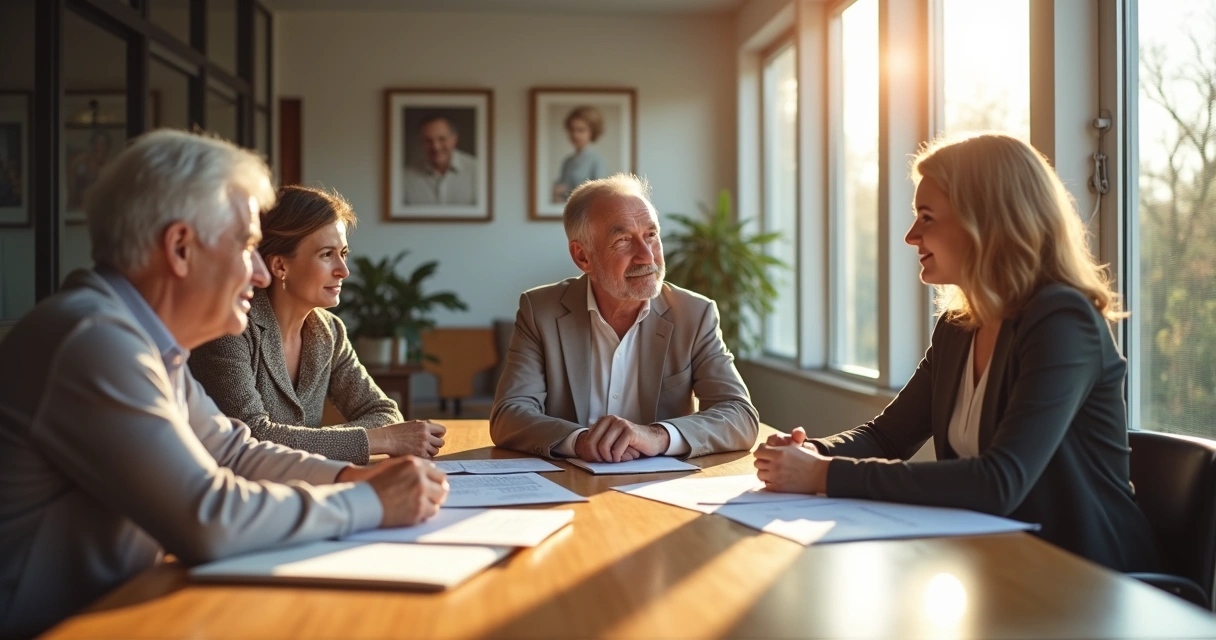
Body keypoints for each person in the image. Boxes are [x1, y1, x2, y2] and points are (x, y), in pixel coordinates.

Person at [0, 130, 449, 638]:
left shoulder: (144, 340)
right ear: (181, 248)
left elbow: (235, 452)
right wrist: (370, 502)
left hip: (119, 611)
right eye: (248, 246)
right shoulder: (93, 340)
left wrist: (353, 479)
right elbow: (207, 517)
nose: (259, 273)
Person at [753, 133, 1161, 573]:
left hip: (1092, 578)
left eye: (926, 218)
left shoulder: (1063, 320)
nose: (911, 236)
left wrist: (822, 477)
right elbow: (888, 437)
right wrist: (812, 454)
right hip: (998, 561)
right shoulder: (958, 326)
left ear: (987, 222)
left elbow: (1000, 481)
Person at [491, 173, 759, 462]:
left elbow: (739, 415)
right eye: (623, 240)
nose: (647, 256)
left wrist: (657, 436)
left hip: (661, 489)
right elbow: (510, 414)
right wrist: (579, 441)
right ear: (583, 257)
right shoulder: (540, 310)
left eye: (651, 235)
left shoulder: (694, 314)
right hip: (570, 481)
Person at [191, 185, 446, 464]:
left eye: (343, 253)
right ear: (280, 266)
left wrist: (310, 442)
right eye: (326, 254)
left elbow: (384, 412)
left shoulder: (328, 331)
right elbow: (251, 437)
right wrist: (384, 439)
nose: (343, 271)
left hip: (303, 484)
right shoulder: (230, 328)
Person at [401, 114, 477, 206]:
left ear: (454, 139)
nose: (436, 147)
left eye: (442, 139)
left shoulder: (478, 170)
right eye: (428, 141)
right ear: (421, 142)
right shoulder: (406, 176)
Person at [551, 105, 605, 204]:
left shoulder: (596, 161)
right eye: (572, 130)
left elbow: (599, 196)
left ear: (592, 132)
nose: (575, 135)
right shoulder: (567, 161)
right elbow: (559, 194)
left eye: (581, 130)